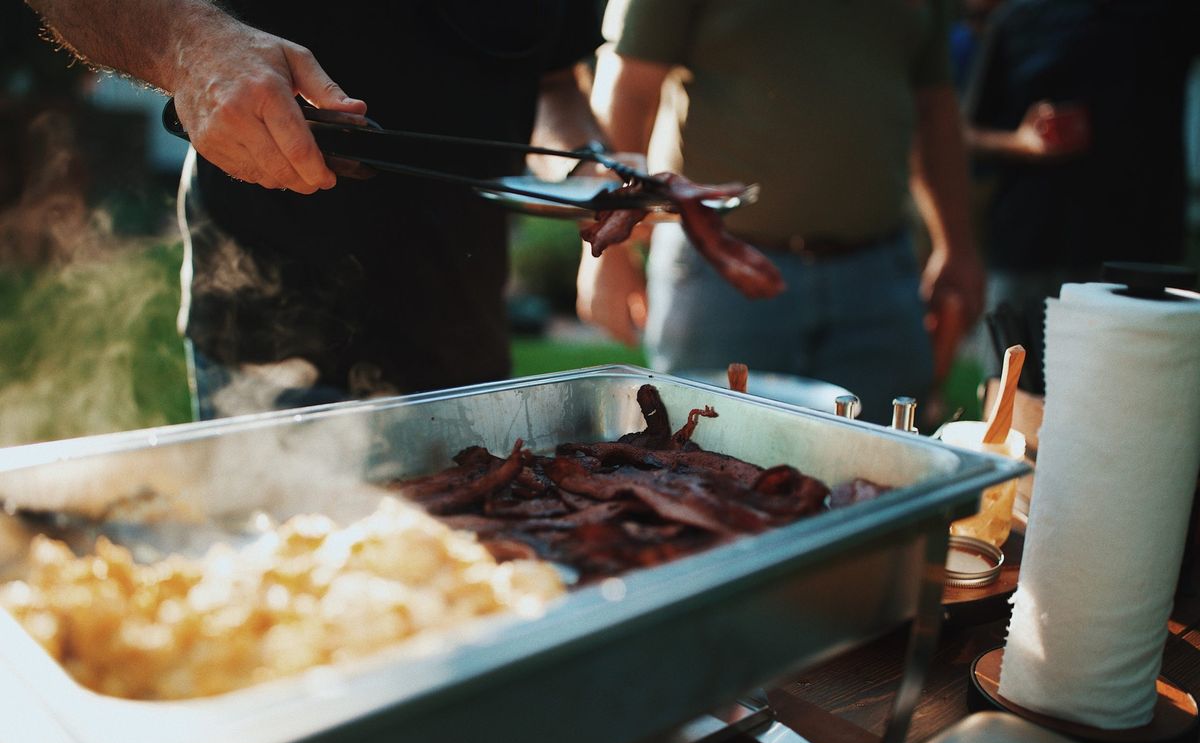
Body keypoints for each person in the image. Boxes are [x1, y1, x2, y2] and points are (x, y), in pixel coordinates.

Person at [26, 0, 606, 418]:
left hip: (467, 341)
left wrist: (589, 167)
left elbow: (554, 85)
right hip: (271, 344)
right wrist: (191, 48)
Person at [576, 0, 984, 424]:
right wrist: (607, 250)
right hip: (719, 275)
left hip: (877, 278)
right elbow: (628, 87)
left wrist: (958, 246)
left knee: (884, 473)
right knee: (703, 459)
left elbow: (935, 106)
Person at [963, 0, 1199, 384]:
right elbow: (964, 133)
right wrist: (1020, 142)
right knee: (1014, 414)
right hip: (1030, 252)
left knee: (1129, 411)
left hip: (1136, 261)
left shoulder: (1167, 16)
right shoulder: (1019, 19)